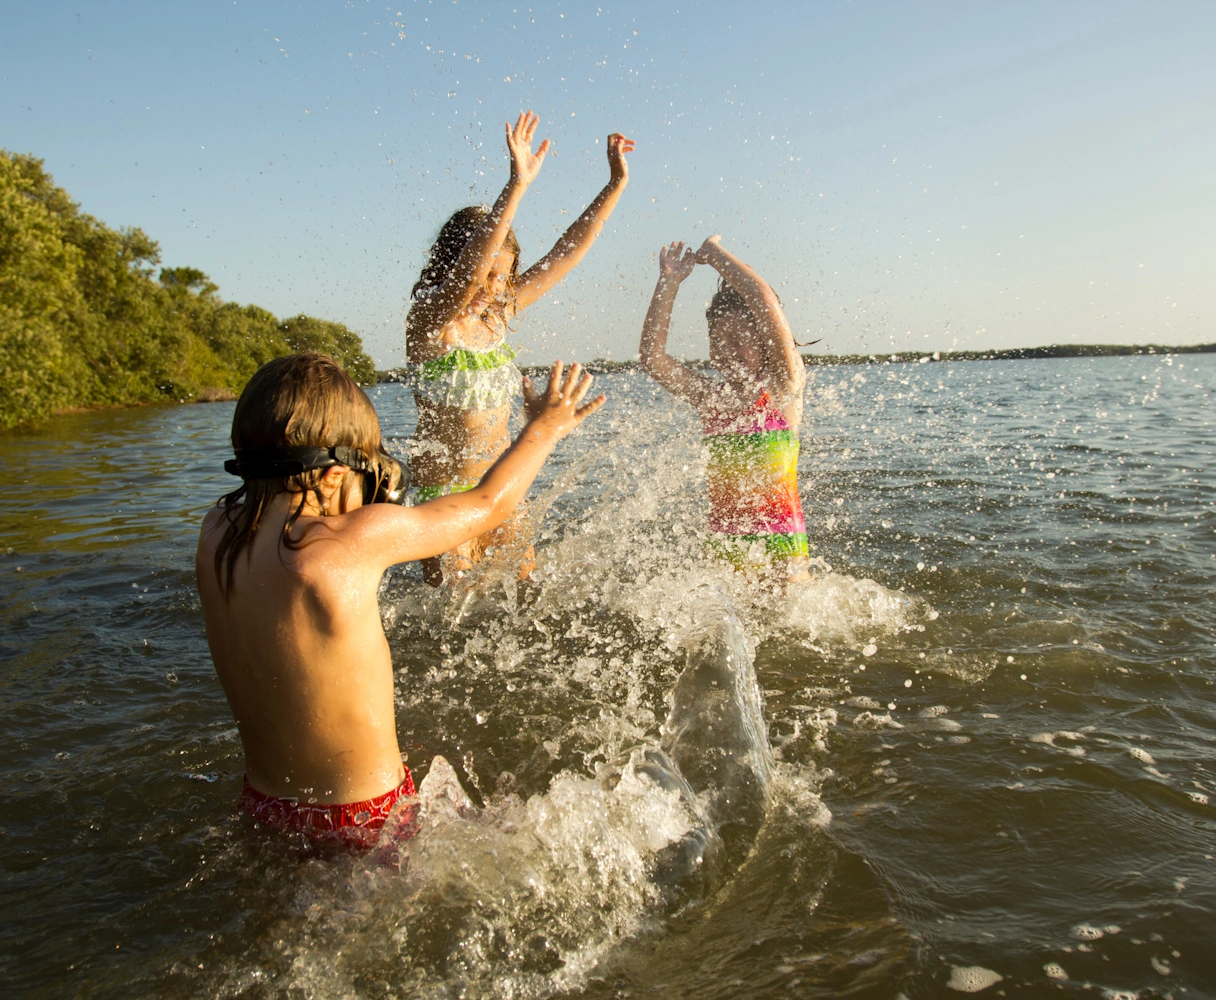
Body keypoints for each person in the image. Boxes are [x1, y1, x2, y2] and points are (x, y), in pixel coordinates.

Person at [195, 352, 604, 851]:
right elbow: (487, 505)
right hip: (364, 815)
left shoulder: (216, 533)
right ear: (330, 475)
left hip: (264, 805)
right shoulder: (347, 542)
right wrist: (546, 426)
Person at [405, 110, 633, 585]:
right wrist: (516, 186)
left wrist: (614, 186)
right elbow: (469, 276)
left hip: (501, 487)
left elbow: (566, 256)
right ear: (453, 265)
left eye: (503, 276)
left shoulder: (497, 316)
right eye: (486, 274)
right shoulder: (429, 323)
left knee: (526, 596)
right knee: (456, 613)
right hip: (442, 495)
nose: (492, 287)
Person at [638, 236, 810, 582]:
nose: (725, 351)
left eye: (737, 340)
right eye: (716, 340)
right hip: (725, 546)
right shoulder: (710, 398)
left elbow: (763, 300)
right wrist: (668, 283)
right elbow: (652, 359)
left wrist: (715, 254)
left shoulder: (782, 388)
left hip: (783, 550)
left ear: (765, 341)